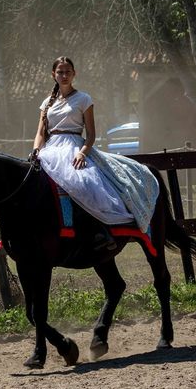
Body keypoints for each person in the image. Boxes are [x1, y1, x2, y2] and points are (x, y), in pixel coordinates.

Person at [31, 56, 159, 251]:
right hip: (49, 150)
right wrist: (36, 151)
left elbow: (91, 134)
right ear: (53, 74)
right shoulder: (46, 102)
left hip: (74, 146)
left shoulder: (83, 99)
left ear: (74, 74)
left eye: (68, 72)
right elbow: (40, 132)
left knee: (85, 181)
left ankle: (101, 229)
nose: (64, 75)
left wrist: (82, 153)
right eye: (60, 72)